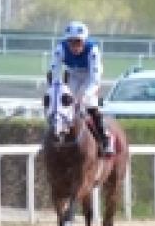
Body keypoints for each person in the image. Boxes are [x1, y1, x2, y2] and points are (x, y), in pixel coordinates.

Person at [48, 21, 113, 155]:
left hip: (90, 75)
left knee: (89, 104)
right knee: (63, 104)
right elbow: (55, 72)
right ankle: (55, 135)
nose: (74, 46)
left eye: (78, 42)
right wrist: (57, 89)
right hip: (72, 74)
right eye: (71, 42)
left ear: (84, 41)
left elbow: (95, 79)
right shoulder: (60, 49)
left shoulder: (93, 50)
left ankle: (105, 138)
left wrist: (84, 96)